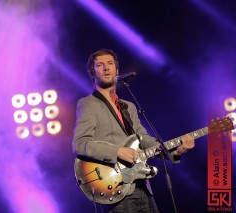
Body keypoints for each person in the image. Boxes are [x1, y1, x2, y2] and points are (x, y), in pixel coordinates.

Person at [72, 49, 195, 213]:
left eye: (110, 64)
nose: (106, 68)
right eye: (100, 65)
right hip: (113, 186)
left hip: (142, 186)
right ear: (92, 72)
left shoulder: (128, 106)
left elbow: (142, 138)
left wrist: (176, 150)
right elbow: (80, 144)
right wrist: (117, 151)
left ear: (117, 69)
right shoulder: (88, 104)